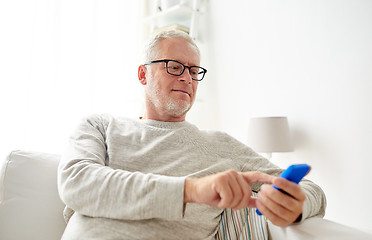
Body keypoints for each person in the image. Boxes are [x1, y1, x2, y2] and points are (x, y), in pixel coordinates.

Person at [57, 30, 326, 239]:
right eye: (174, 66)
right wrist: (192, 189)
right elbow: (77, 182)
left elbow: (312, 190)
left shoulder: (221, 145)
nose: (187, 78)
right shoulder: (101, 126)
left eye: (194, 70)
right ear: (143, 74)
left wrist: (296, 204)